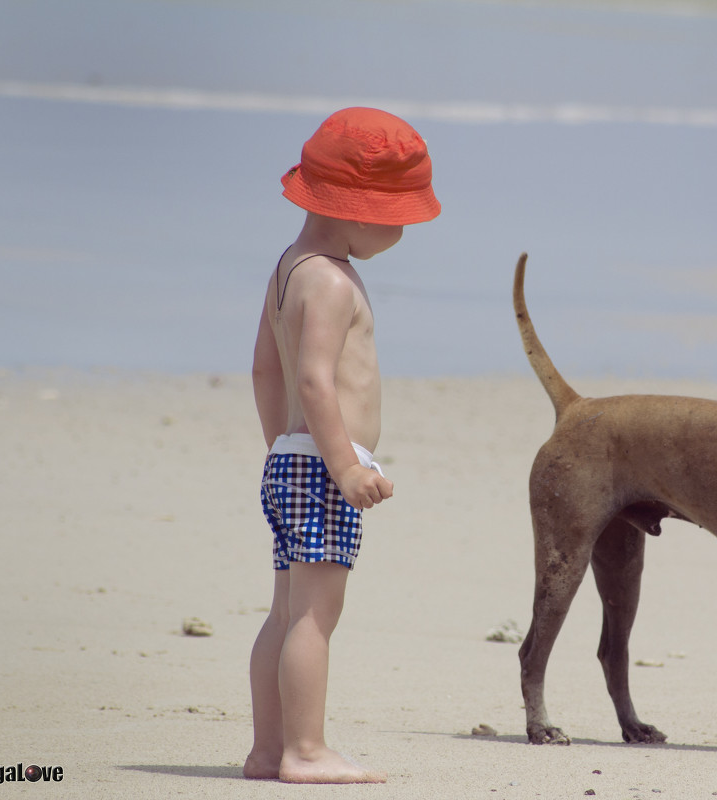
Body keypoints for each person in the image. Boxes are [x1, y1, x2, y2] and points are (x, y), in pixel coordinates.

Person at [242, 107, 440, 783]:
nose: (407, 229)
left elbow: (265, 371)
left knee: (285, 613)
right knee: (316, 620)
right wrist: (345, 464)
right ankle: (305, 749)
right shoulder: (330, 280)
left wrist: (283, 448)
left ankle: (269, 749)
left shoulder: (289, 268)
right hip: (323, 467)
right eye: (402, 215)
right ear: (359, 210)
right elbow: (314, 381)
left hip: (292, 460)